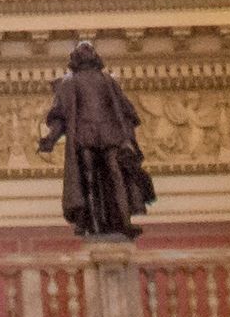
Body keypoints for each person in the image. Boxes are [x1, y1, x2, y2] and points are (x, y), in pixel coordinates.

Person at [43, 38, 154, 239]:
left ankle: (123, 221)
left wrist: (129, 138)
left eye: (89, 48)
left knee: (115, 175)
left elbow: (125, 110)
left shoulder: (107, 81)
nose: (86, 50)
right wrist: (50, 139)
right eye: (82, 49)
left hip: (110, 134)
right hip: (85, 135)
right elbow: (61, 115)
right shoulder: (70, 82)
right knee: (89, 179)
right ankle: (92, 223)